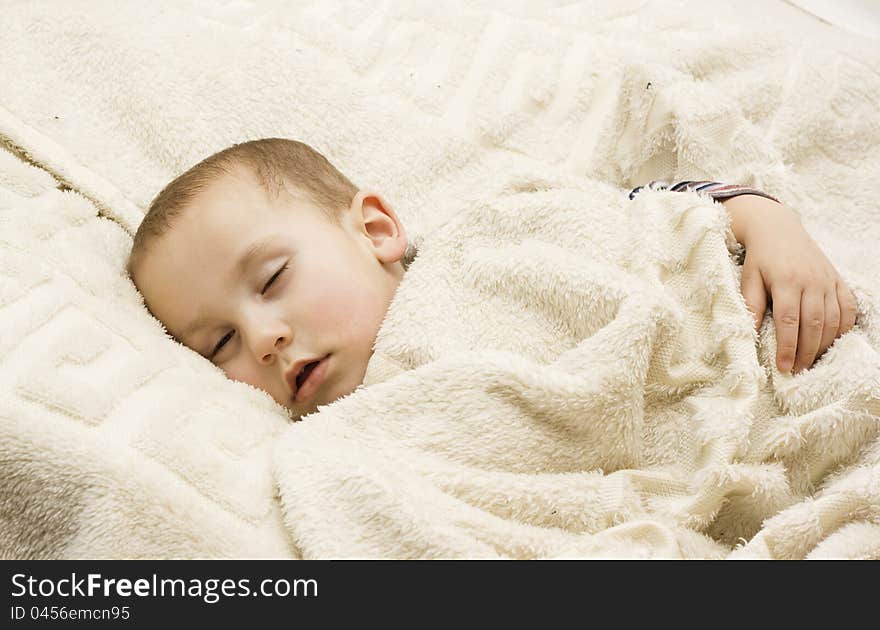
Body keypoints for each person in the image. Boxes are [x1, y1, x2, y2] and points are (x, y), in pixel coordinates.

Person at [126, 138, 859, 419]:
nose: (262, 339)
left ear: (377, 231)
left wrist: (764, 220)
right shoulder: (340, 437)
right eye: (217, 342)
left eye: (274, 278)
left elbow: (636, 215)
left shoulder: (487, 240)